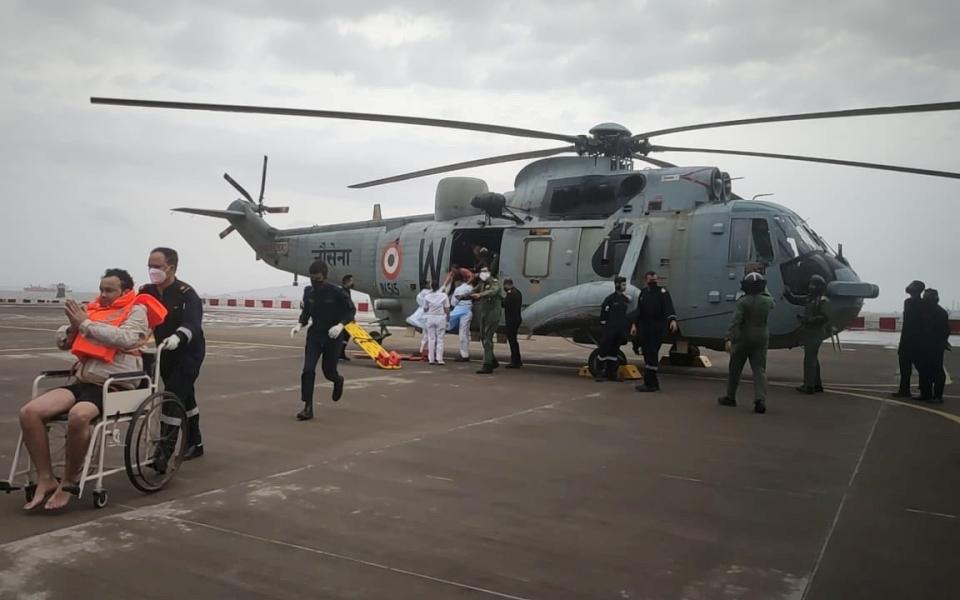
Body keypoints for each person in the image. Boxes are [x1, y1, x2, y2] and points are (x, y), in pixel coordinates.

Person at [18, 269, 165, 510]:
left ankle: (69, 481)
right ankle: (45, 478)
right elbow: (62, 342)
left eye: (110, 290)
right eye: (102, 289)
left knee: (79, 415)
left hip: (115, 385)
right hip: (83, 381)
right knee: (30, 412)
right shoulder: (94, 310)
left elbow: (127, 338)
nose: (104, 295)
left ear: (125, 291)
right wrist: (72, 330)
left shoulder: (137, 309)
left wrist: (84, 324)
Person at [140, 247, 206, 459]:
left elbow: (193, 324)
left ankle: (163, 453)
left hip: (189, 352)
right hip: (164, 352)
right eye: (150, 266)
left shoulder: (187, 294)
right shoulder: (146, 292)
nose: (152, 270)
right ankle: (195, 443)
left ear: (172, 268)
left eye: (157, 266)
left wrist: (178, 336)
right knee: (185, 398)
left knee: (172, 396)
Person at [290, 260, 356, 421]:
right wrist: (300, 324)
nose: (315, 282)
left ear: (325, 277)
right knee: (308, 370)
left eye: (318, 279)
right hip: (315, 335)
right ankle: (307, 407)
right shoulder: (309, 292)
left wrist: (341, 325)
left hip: (332, 336)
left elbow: (351, 311)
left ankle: (338, 380)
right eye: (312, 279)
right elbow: (306, 311)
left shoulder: (338, 292)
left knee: (329, 372)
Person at [718, 273, 775, 414]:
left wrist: (728, 338)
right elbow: (771, 299)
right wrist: (764, 285)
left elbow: (736, 321)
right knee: (759, 370)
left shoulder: (742, 302)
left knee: (735, 369)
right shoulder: (767, 302)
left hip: (743, 338)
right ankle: (760, 400)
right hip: (761, 337)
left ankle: (730, 397)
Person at [631, 271, 678, 392]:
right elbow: (639, 311)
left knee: (652, 354)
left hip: (657, 329)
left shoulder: (662, 293)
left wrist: (672, 320)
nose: (653, 282)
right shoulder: (643, 293)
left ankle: (650, 384)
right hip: (645, 329)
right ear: (646, 280)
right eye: (651, 280)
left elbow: (669, 307)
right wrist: (634, 324)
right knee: (647, 354)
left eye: (654, 280)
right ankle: (653, 383)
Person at [785, 275, 831, 394]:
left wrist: (809, 320)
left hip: (816, 332)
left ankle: (808, 385)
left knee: (809, 359)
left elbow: (825, 317)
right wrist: (788, 294)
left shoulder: (823, 300)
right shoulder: (810, 298)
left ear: (819, 287)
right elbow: (796, 299)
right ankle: (816, 384)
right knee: (813, 358)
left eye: (813, 285)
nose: (811, 287)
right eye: (810, 284)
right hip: (810, 332)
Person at [891, 280, 925, 398]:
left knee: (912, 368)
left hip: (912, 340)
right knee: (907, 368)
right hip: (911, 340)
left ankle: (911, 390)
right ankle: (907, 390)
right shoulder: (917, 303)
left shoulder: (911, 303)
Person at [916, 288, 950, 403]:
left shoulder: (940, 312)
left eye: (927, 297)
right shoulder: (924, 311)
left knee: (937, 371)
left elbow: (945, 331)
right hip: (923, 346)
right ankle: (925, 393)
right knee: (924, 370)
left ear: (934, 298)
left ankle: (938, 396)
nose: (924, 299)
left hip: (935, 347)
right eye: (924, 296)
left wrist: (940, 343)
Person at [470, 266, 503, 374]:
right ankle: (492, 360)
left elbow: (493, 292)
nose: (482, 274)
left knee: (487, 339)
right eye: (481, 272)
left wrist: (480, 294)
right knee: (483, 337)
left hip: (492, 314)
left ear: (489, 273)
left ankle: (487, 364)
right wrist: (462, 295)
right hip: (483, 314)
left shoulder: (495, 283)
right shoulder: (482, 284)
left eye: (484, 272)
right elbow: (473, 290)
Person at [597, 276, 630, 381]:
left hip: (619, 330)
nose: (625, 286)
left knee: (614, 352)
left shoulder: (625, 300)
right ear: (617, 285)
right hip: (609, 330)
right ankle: (599, 373)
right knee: (603, 351)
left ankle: (611, 373)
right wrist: (605, 327)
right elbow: (603, 315)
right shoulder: (610, 299)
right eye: (623, 284)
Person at [422, 280, 450, 365]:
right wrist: (448, 317)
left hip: (430, 317)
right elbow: (447, 308)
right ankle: (439, 359)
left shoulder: (427, 296)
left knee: (431, 338)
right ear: (438, 287)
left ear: (431, 287)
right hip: (441, 317)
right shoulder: (444, 296)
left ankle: (431, 359)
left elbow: (425, 309)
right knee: (440, 339)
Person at [450, 273, 475, 362]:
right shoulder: (472, 288)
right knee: (465, 333)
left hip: (460, 311)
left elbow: (453, 303)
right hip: (468, 312)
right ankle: (465, 353)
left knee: (462, 335)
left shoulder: (458, 289)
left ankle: (464, 355)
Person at [502, 278, 523, 368]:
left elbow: (505, 304)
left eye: (504, 285)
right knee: (514, 340)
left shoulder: (511, 293)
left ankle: (515, 361)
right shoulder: (517, 292)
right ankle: (517, 360)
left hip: (512, 320)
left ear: (508, 285)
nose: (504, 287)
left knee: (512, 341)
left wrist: (499, 299)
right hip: (516, 319)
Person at [338, 274, 356, 361]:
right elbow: (348, 306)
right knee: (341, 336)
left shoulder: (347, 291)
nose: (352, 282)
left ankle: (341, 353)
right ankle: (337, 353)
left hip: (346, 318)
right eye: (351, 281)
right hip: (342, 319)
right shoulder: (342, 292)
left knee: (346, 336)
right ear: (347, 282)